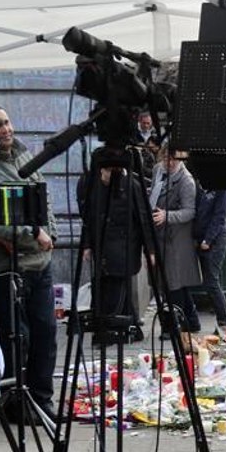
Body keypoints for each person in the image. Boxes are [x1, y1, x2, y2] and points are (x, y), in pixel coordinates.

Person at [0, 104, 58, 419]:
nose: (5, 129)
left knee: (45, 332)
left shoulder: (25, 158)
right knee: (16, 336)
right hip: (6, 269)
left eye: (6, 122)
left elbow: (45, 201)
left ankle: (42, 400)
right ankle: (17, 403)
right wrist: (34, 233)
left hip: (40, 265)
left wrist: (51, 233)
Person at [77, 157, 150, 345]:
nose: (107, 177)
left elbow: (143, 219)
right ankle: (131, 327)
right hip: (102, 246)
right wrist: (87, 244)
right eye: (105, 172)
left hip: (124, 247)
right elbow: (87, 218)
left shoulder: (131, 186)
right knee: (106, 286)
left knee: (116, 287)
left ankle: (109, 330)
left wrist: (150, 250)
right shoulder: (89, 183)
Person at [150, 146, 202, 343]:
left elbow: (190, 211)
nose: (169, 163)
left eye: (173, 159)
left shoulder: (186, 180)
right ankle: (193, 321)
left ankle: (172, 327)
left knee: (173, 283)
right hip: (160, 234)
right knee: (172, 283)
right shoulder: (157, 170)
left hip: (176, 239)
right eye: (165, 158)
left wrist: (167, 215)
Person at [192, 180, 226, 331]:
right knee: (210, 282)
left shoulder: (223, 190)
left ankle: (225, 321)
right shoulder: (201, 185)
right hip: (202, 238)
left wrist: (208, 239)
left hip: (215, 240)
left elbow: (219, 216)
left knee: (211, 282)